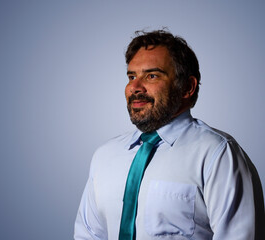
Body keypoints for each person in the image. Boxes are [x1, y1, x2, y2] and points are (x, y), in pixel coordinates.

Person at [74, 30, 265, 240]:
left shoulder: (217, 153)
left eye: (152, 75)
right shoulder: (105, 156)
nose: (135, 87)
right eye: (131, 76)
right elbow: (89, 235)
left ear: (187, 87)